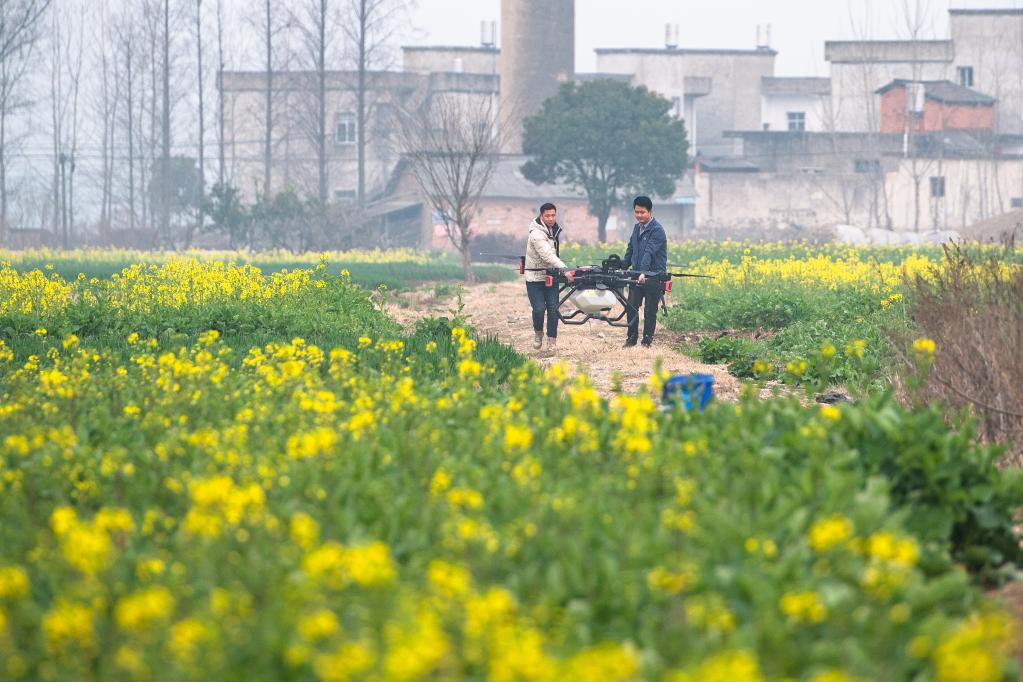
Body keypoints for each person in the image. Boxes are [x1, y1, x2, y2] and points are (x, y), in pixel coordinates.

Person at [524, 203, 574, 353]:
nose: (551, 218)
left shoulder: (553, 229)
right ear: (541, 216)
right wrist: (564, 269)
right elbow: (547, 254)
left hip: (551, 276)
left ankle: (552, 341)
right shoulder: (536, 234)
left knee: (553, 309)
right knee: (539, 309)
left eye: (553, 215)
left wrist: (560, 270)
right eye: (547, 216)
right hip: (535, 278)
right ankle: (538, 333)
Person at [622, 195, 668, 348]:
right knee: (632, 307)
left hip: (654, 277)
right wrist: (623, 267)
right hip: (636, 275)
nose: (639, 215)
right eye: (637, 212)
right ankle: (631, 339)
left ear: (650, 211)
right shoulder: (637, 228)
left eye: (642, 212)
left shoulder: (657, 230)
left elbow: (649, 252)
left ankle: (647, 341)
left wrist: (644, 272)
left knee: (649, 311)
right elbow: (631, 249)